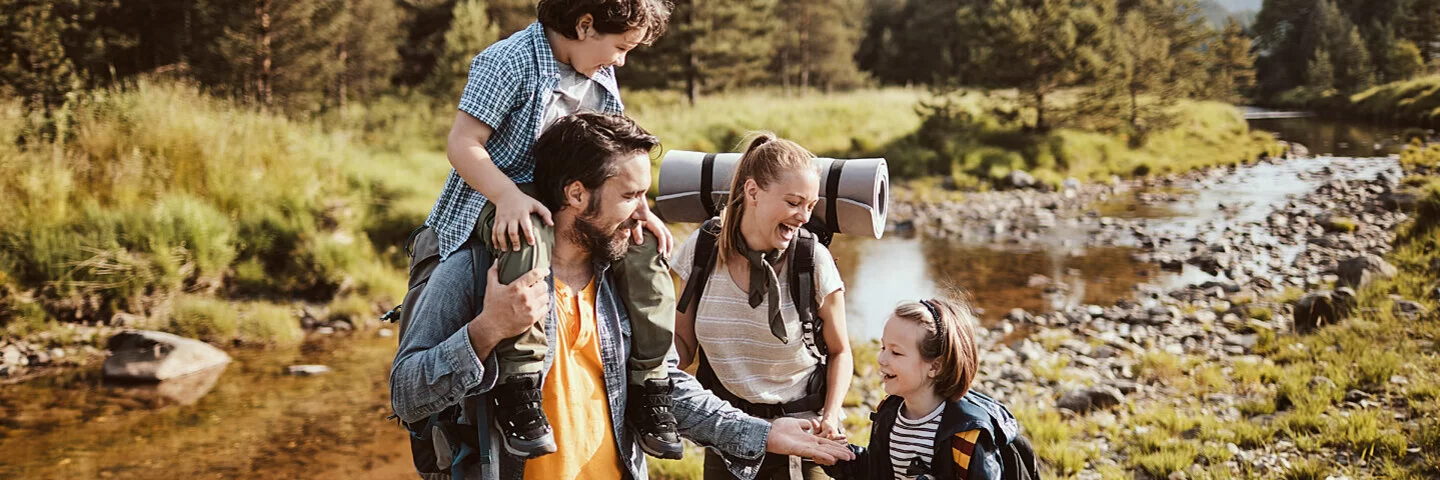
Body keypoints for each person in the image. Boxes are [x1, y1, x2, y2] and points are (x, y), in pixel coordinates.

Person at [391, 113, 854, 480]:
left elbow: (668, 387)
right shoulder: (474, 272)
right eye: (631, 195)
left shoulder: (622, 279)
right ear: (576, 194)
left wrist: (766, 433)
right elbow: (406, 394)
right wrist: (487, 330)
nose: (645, 214)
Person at [422, 0, 681, 458]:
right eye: (620, 47)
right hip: (495, 196)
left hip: (570, 199)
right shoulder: (508, 61)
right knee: (529, 236)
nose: (621, 61)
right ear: (584, 25)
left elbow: (616, 150)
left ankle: (650, 383)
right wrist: (506, 195)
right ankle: (520, 386)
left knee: (644, 249)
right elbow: (463, 144)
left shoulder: (598, 70)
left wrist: (636, 204)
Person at [670, 134, 855, 479]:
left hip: (804, 433)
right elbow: (682, 344)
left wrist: (830, 416)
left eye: (810, 206)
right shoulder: (702, 249)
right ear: (753, 192)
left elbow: (841, 351)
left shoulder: (812, 260)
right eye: (793, 202)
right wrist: (656, 391)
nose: (803, 216)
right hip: (730, 431)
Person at [823, 298, 1023, 480]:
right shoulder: (889, 413)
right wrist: (842, 459)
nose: (881, 359)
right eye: (883, 348)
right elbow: (877, 470)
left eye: (896, 353)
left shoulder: (967, 433)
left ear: (935, 366)